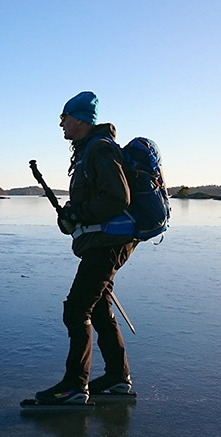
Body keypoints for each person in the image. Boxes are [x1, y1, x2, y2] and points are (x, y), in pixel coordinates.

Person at [35, 91, 136, 405]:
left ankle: (74, 387)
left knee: (77, 308)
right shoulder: (87, 150)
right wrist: (71, 216)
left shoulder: (100, 150)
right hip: (101, 241)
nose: (61, 124)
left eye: (63, 118)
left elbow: (119, 198)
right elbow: (93, 199)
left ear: (79, 119)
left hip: (110, 243)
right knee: (99, 308)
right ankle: (118, 378)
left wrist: (79, 214)